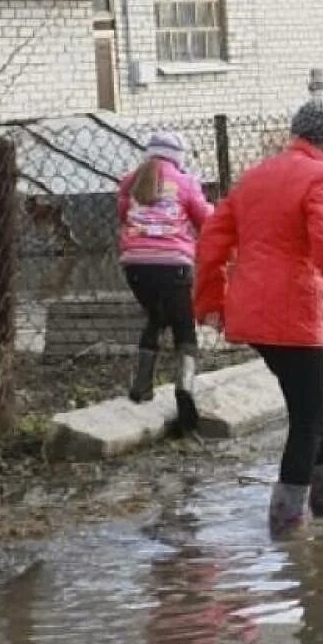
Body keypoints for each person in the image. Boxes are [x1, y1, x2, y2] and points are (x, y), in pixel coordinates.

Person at [194, 99, 323, 537]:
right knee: (307, 416)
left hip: (250, 312)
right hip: (292, 312)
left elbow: (212, 239)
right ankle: (286, 527)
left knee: (314, 405)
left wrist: (210, 302)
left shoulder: (256, 175)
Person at [118, 131, 213, 434]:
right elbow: (205, 220)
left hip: (135, 266)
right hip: (173, 265)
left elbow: (124, 216)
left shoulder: (130, 180)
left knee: (156, 317)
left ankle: (142, 385)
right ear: (177, 157)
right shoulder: (185, 182)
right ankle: (184, 389)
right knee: (184, 328)